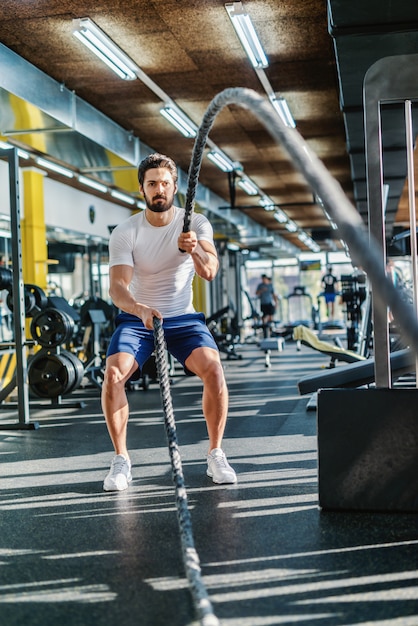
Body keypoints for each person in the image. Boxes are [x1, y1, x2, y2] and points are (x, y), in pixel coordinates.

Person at [101, 153, 237, 491]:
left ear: (175, 187)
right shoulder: (126, 231)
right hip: (139, 319)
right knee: (113, 375)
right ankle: (121, 460)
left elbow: (209, 271)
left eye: (164, 183)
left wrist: (193, 249)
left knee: (214, 369)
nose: (159, 189)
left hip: (183, 319)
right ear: (142, 189)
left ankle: (216, 454)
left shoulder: (197, 224)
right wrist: (139, 307)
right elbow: (118, 288)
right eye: (152, 184)